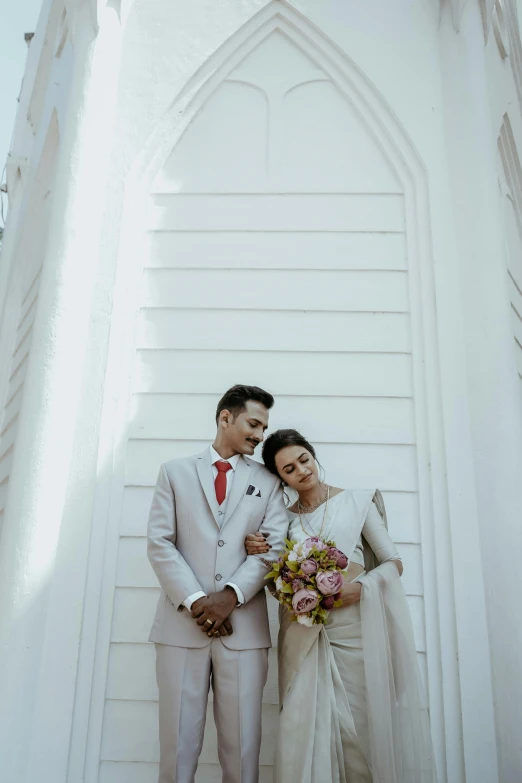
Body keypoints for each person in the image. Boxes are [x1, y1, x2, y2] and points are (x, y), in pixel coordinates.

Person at [246, 429, 437, 783]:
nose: (301, 470)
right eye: (289, 469)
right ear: (280, 478)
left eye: (304, 459)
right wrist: (274, 570)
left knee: (359, 727)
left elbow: (393, 561)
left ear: (313, 456)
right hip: (303, 635)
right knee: (300, 723)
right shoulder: (282, 520)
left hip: (353, 633)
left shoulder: (357, 502)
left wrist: (359, 588)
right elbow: (273, 582)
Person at [147, 385, 288, 783]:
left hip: (243, 630)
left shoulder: (268, 481)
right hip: (180, 628)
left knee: (243, 749)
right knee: (176, 746)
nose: (260, 435)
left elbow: (273, 549)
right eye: (254, 423)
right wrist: (197, 602)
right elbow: (160, 544)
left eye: (264, 427)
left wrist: (229, 597)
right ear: (225, 417)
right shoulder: (174, 472)